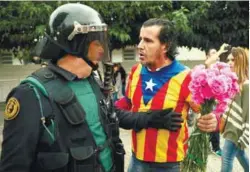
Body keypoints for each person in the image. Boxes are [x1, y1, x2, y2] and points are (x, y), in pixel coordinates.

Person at [0, 4, 184, 172]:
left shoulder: (92, 79)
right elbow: (14, 165)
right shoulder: (30, 95)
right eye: (96, 43)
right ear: (74, 45)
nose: (102, 50)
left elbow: (111, 116)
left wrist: (150, 119)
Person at [115, 18, 219, 172]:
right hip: (136, 161)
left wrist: (213, 120)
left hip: (171, 166)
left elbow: (206, 112)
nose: (140, 46)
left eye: (148, 41)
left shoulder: (186, 77)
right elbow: (128, 103)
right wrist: (106, 109)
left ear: (165, 46)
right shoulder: (135, 71)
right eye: (140, 39)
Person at [221, 47, 249, 172]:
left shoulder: (246, 85)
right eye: (228, 60)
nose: (229, 63)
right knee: (240, 154)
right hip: (230, 126)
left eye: (233, 60)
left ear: (240, 61)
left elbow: (248, 113)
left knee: (226, 158)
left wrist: (245, 134)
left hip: (237, 130)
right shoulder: (234, 82)